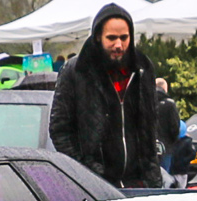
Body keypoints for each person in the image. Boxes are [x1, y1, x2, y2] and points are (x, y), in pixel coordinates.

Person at [49, 4, 164, 188]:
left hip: (139, 185)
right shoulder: (76, 71)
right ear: (97, 37)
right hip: (96, 186)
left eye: (124, 38)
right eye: (111, 38)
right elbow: (60, 130)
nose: (118, 45)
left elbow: (149, 129)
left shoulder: (143, 68)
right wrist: (86, 172)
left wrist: (153, 179)